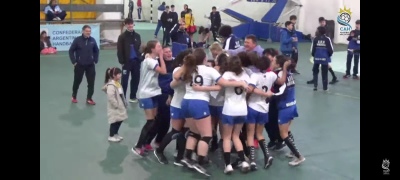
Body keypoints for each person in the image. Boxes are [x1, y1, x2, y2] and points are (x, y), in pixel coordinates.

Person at [174, 48, 248, 176]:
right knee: (206, 135)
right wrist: (240, 82)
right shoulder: (209, 70)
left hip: (186, 102)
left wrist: (186, 64)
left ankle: (187, 157)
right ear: (204, 59)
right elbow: (223, 83)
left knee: (194, 132)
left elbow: (176, 76)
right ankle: (200, 162)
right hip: (199, 104)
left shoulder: (188, 68)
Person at [246, 56, 290, 170]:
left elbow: (250, 89)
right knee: (260, 134)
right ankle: (267, 155)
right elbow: (281, 81)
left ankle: (252, 161)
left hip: (253, 107)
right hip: (264, 109)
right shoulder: (272, 75)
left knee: (250, 134)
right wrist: (285, 68)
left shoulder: (254, 76)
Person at [154, 49, 193, 166]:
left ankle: (179, 157)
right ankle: (159, 150)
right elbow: (173, 84)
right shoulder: (178, 70)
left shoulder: (194, 71)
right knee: (175, 131)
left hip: (187, 105)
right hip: (177, 104)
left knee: (185, 131)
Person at [132, 40, 167, 157]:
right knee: (150, 121)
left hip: (154, 93)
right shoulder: (150, 61)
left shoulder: (151, 59)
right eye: (159, 46)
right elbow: (163, 71)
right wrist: (161, 57)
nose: (161, 48)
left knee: (155, 120)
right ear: (152, 49)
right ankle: (137, 146)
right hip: (145, 94)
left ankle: (146, 143)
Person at [217, 56, 251, 174]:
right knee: (236, 136)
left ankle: (228, 165)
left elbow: (221, 89)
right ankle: (244, 161)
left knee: (227, 137)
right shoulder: (245, 75)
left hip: (229, 109)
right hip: (242, 109)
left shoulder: (226, 75)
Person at [273, 56, 306, 166]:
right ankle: (293, 151)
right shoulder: (290, 74)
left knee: (283, 134)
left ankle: (299, 156)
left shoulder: (279, 75)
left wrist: (270, 96)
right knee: (287, 131)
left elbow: (281, 90)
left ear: (278, 65)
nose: (271, 62)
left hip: (284, 107)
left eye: (273, 61)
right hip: (292, 104)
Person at [145, 46, 175, 148]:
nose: (169, 53)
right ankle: (146, 142)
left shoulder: (176, 63)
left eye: (170, 51)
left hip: (172, 94)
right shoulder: (157, 62)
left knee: (166, 121)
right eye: (166, 52)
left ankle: (159, 141)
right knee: (158, 120)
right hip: (161, 94)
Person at [69, 25, 99, 105]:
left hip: (90, 65)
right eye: (87, 31)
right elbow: (71, 51)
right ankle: (74, 96)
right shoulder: (77, 40)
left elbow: (96, 50)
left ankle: (89, 98)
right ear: (83, 31)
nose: (88, 32)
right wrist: (74, 61)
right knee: (77, 81)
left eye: (89, 31)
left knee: (91, 82)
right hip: (79, 65)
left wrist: (95, 60)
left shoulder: (92, 40)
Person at [262, 48, 285, 151]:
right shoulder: (265, 68)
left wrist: (273, 94)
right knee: (267, 121)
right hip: (266, 97)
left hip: (274, 99)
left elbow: (281, 83)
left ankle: (280, 140)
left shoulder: (278, 72)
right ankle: (272, 139)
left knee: (274, 120)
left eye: (269, 57)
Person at [117, 18, 142, 103]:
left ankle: (133, 96)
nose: (130, 25)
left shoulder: (137, 36)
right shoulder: (122, 37)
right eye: (128, 24)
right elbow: (119, 50)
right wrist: (122, 62)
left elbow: (139, 48)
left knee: (136, 79)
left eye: (131, 24)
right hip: (126, 63)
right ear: (125, 25)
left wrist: (140, 59)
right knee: (124, 81)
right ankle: (122, 98)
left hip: (136, 62)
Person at [307, 17, 338, 85]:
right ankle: (315, 79)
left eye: (323, 22)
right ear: (319, 23)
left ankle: (334, 77)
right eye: (321, 22)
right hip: (319, 50)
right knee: (318, 65)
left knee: (325, 65)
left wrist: (328, 52)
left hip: (325, 50)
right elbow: (316, 38)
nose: (322, 23)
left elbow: (329, 39)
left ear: (325, 22)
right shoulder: (318, 29)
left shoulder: (327, 29)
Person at [102, 67, 128, 142]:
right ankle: (111, 135)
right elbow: (111, 97)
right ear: (114, 75)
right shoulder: (111, 85)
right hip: (115, 107)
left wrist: (124, 103)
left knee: (120, 120)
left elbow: (121, 94)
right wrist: (116, 105)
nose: (120, 75)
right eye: (119, 74)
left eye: (120, 74)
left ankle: (115, 133)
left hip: (120, 106)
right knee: (114, 122)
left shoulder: (117, 83)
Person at [310, 26, 334, 91]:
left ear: (319, 31)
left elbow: (312, 49)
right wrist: (327, 56)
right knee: (324, 73)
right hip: (324, 58)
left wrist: (314, 55)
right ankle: (325, 88)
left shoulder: (315, 39)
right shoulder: (327, 39)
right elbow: (331, 50)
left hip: (316, 58)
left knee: (315, 71)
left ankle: (315, 86)